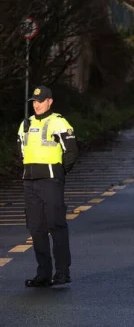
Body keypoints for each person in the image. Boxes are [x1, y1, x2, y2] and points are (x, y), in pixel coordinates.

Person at [17, 85, 78, 288]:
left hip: (51, 181)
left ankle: (62, 273)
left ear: (49, 101)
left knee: (56, 225)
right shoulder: (25, 124)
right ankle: (43, 273)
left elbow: (71, 152)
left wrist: (59, 173)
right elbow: (21, 150)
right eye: (34, 102)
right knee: (36, 228)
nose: (37, 105)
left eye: (41, 101)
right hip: (30, 182)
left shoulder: (58, 122)